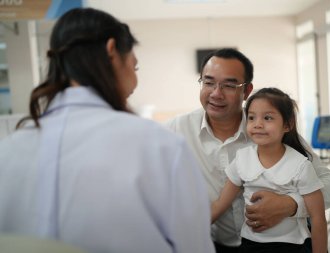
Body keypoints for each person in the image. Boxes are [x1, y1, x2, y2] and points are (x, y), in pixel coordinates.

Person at [0, 8, 215, 253]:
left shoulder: (8, 149)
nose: (134, 84)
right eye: (134, 68)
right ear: (112, 50)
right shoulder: (161, 146)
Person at [165, 48, 330, 252]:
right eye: (208, 82)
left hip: (288, 243)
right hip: (215, 243)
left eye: (229, 85)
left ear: (247, 91)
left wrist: (291, 204)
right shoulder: (176, 131)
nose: (216, 93)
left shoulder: (275, 134)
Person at [211, 87, 327, 253]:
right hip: (250, 244)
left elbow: (318, 218)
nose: (257, 124)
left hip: (292, 246)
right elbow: (220, 204)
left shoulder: (300, 165)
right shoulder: (242, 158)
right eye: (251, 117)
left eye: (267, 118)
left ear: (287, 124)